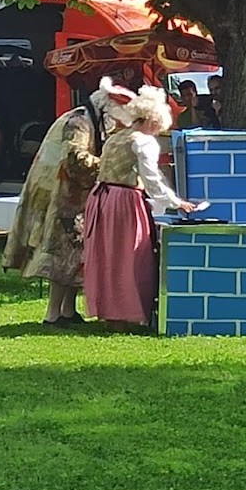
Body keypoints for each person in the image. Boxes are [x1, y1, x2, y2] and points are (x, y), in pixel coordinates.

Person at [3, 77, 134, 326]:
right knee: (61, 253)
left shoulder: (92, 119)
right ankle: (52, 314)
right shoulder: (79, 122)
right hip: (59, 193)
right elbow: (75, 159)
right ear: (107, 108)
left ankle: (67, 310)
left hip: (74, 194)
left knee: (77, 253)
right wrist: (111, 165)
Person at [83, 86, 195, 327]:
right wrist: (176, 202)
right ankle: (127, 313)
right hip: (123, 201)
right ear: (152, 121)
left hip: (100, 198)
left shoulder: (115, 137)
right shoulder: (144, 142)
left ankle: (109, 313)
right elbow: (152, 179)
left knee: (106, 256)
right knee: (130, 256)